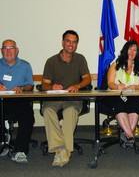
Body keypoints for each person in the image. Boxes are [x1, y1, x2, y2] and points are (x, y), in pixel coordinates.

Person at [41, 30, 91, 167]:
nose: (71, 44)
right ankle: (62, 148)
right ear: (63, 42)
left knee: (70, 111)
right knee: (47, 110)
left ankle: (63, 150)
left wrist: (77, 85)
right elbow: (44, 84)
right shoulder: (51, 61)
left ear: (76, 45)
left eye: (74, 42)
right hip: (55, 97)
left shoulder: (80, 59)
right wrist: (52, 87)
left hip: (72, 98)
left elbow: (87, 79)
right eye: (68, 41)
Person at [0, 39, 35, 163]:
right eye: (5, 48)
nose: (8, 51)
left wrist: (21, 88)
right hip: (1, 100)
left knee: (28, 117)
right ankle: (3, 140)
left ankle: (20, 151)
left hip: (19, 100)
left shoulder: (25, 65)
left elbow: (30, 85)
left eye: (12, 48)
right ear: (1, 51)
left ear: (17, 50)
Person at [106, 40, 139, 148]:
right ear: (125, 50)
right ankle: (131, 136)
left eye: (135, 50)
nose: (132, 52)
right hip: (117, 96)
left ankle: (127, 135)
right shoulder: (115, 65)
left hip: (133, 96)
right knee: (119, 106)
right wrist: (117, 86)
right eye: (130, 49)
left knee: (135, 106)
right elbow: (110, 83)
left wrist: (134, 87)